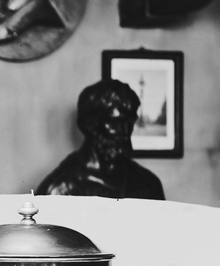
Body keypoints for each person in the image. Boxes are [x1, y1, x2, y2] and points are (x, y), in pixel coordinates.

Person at [37, 79, 165, 200]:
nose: (125, 132)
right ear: (91, 124)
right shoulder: (59, 188)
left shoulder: (148, 184)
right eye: (114, 123)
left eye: (129, 123)